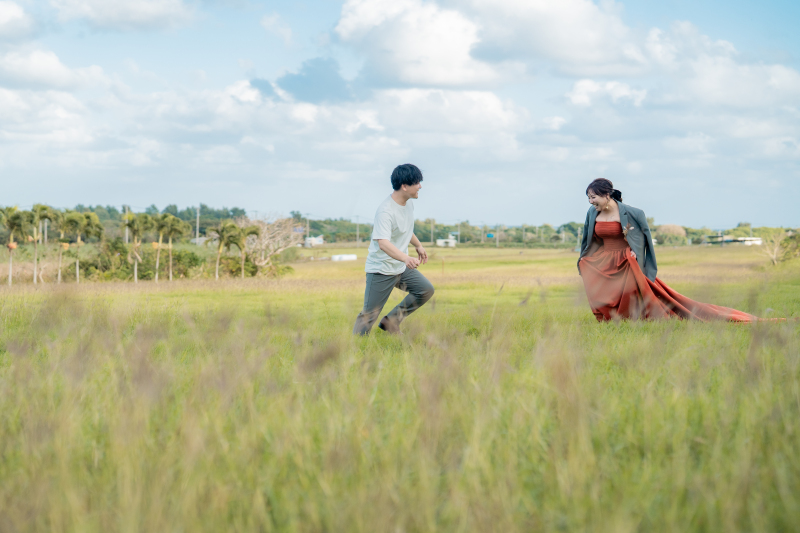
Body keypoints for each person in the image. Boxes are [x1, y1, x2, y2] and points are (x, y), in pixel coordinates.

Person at [577, 178, 756, 322]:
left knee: (635, 292)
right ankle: (609, 318)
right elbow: (589, 239)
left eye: (594, 197)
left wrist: (635, 253)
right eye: (589, 198)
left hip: (626, 259)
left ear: (607, 194)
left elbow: (644, 239)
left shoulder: (633, 213)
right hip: (605, 258)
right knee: (601, 287)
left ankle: (629, 318)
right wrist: (585, 259)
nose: (591, 202)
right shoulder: (592, 213)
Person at [353, 164, 435, 335]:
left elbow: (405, 229)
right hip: (381, 269)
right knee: (369, 315)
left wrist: (418, 245)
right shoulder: (385, 211)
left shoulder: (408, 205)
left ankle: (391, 322)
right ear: (404, 186)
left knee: (425, 290)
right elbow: (383, 242)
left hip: (399, 267)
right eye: (417, 182)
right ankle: (355, 349)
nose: (420, 186)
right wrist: (406, 258)